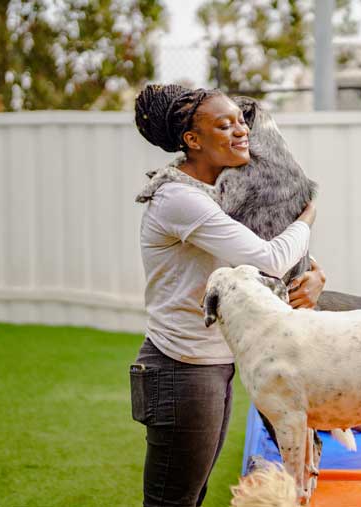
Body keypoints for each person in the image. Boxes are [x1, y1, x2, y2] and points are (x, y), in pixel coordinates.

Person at [130, 84, 326, 507]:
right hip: (181, 367)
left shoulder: (220, 195)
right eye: (225, 125)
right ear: (192, 141)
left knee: (192, 495)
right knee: (173, 501)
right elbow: (271, 257)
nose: (242, 132)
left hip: (213, 362)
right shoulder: (180, 199)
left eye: (241, 120)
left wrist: (314, 273)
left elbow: (261, 255)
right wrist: (308, 215)